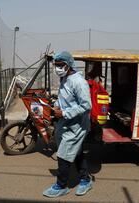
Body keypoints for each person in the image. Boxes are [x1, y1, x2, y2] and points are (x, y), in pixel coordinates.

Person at [42, 51, 92, 198]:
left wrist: (64, 113)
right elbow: (64, 98)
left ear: (69, 65)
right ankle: (85, 179)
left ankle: (61, 185)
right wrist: (57, 106)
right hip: (66, 122)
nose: (57, 68)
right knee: (76, 151)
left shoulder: (79, 82)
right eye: (55, 65)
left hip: (77, 125)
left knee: (63, 154)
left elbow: (86, 105)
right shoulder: (65, 78)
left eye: (60, 65)